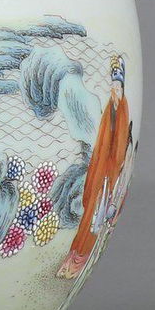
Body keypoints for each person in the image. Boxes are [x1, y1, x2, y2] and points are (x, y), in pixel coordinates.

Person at [56, 55, 133, 280]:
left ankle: (79, 260)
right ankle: (74, 257)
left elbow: (120, 148)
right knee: (90, 214)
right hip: (101, 173)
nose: (114, 92)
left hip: (111, 175)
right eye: (113, 88)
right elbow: (102, 145)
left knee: (96, 218)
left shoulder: (122, 111)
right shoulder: (110, 111)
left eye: (117, 88)